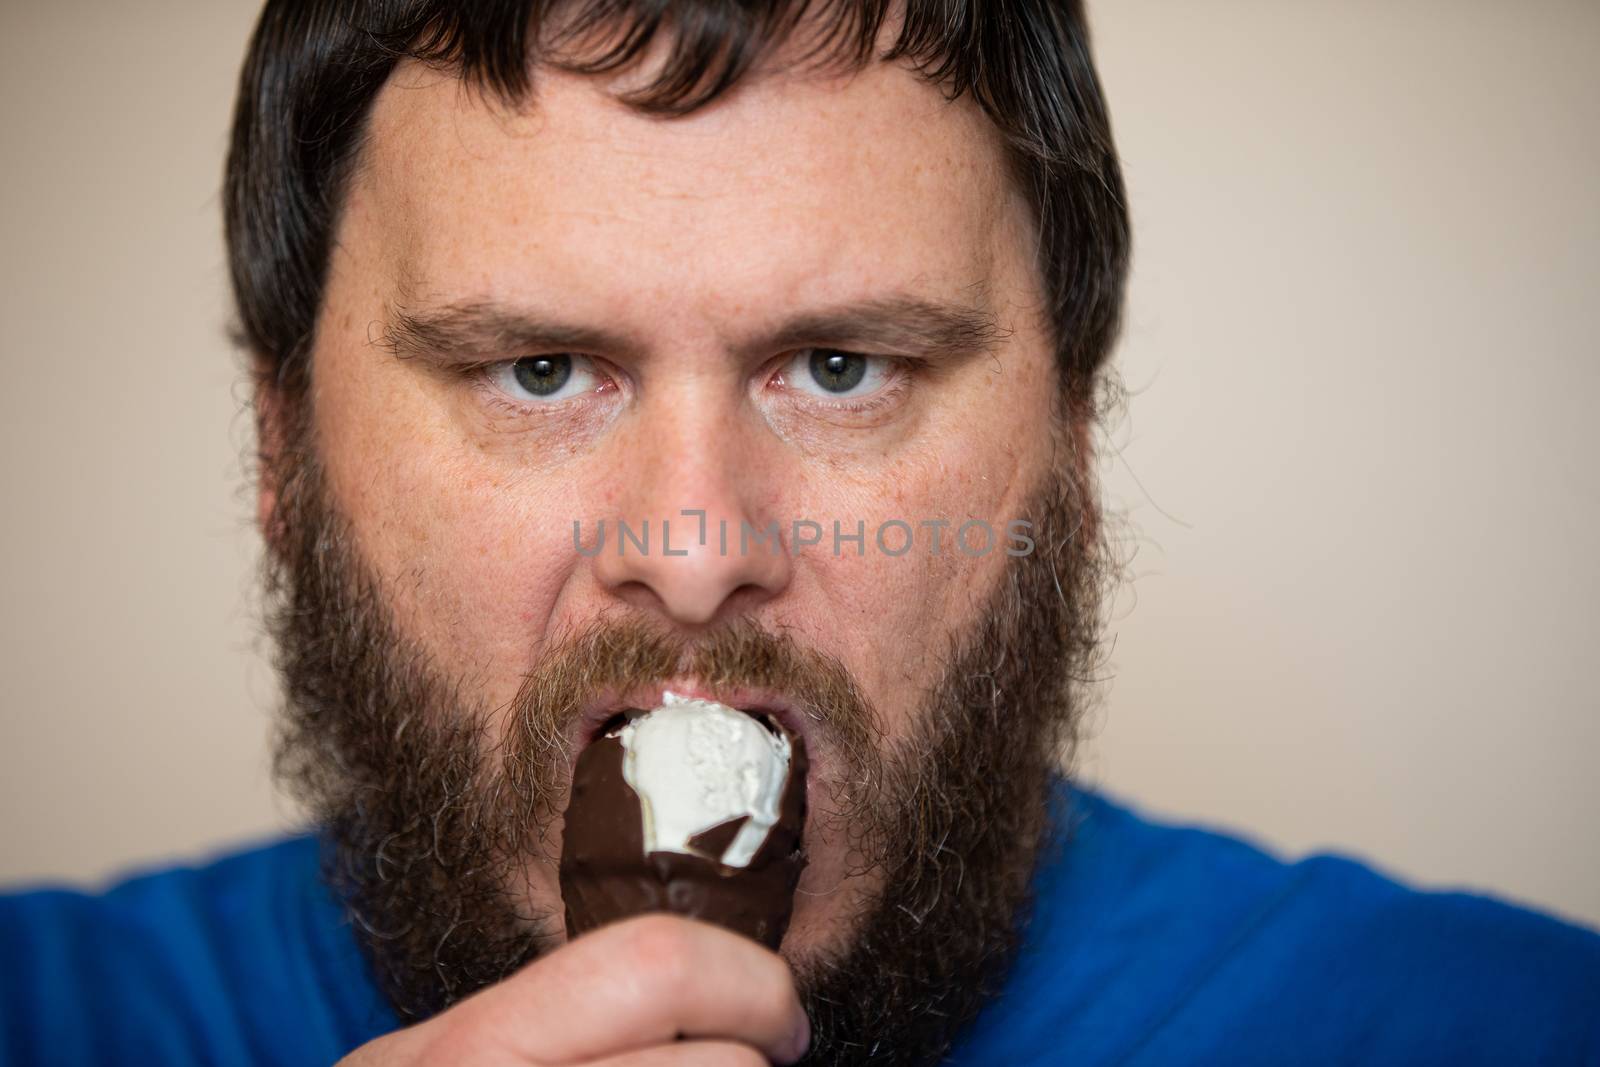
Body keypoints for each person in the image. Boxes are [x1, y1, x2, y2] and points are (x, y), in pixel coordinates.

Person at [2, 1, 1596, 1063]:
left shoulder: (1494, 1029)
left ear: (1076, 442)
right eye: (538, 371)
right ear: (280, 453)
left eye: (844, 369)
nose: (696, 556)